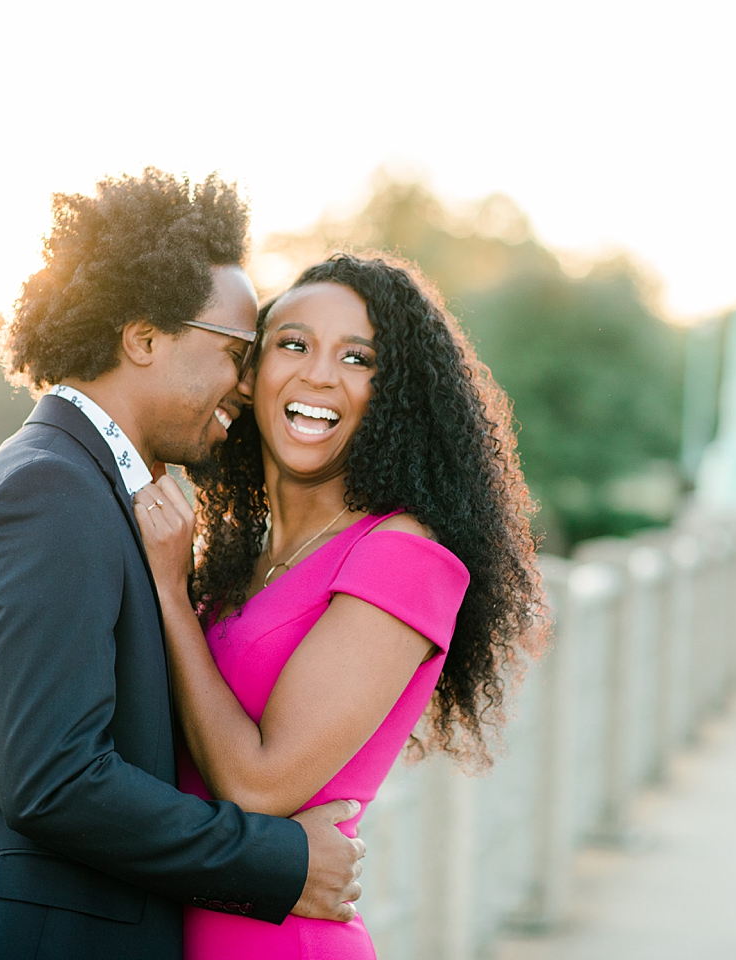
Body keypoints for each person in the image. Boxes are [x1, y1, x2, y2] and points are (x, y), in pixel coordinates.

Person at [0, 170, 364, 960]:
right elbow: (55, 780)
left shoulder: (89, 485)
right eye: (238, 352)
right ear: (143, 338)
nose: (248, 384)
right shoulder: (48, 493)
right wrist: (280, 860)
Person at [135, 253, 547, 959]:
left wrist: (170, 597)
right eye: (292, 344)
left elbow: (256, 786)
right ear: (252, 371)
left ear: (395, 396)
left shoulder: (402, 557)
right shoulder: (241, 560)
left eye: (357, 359)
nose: (318, 374)